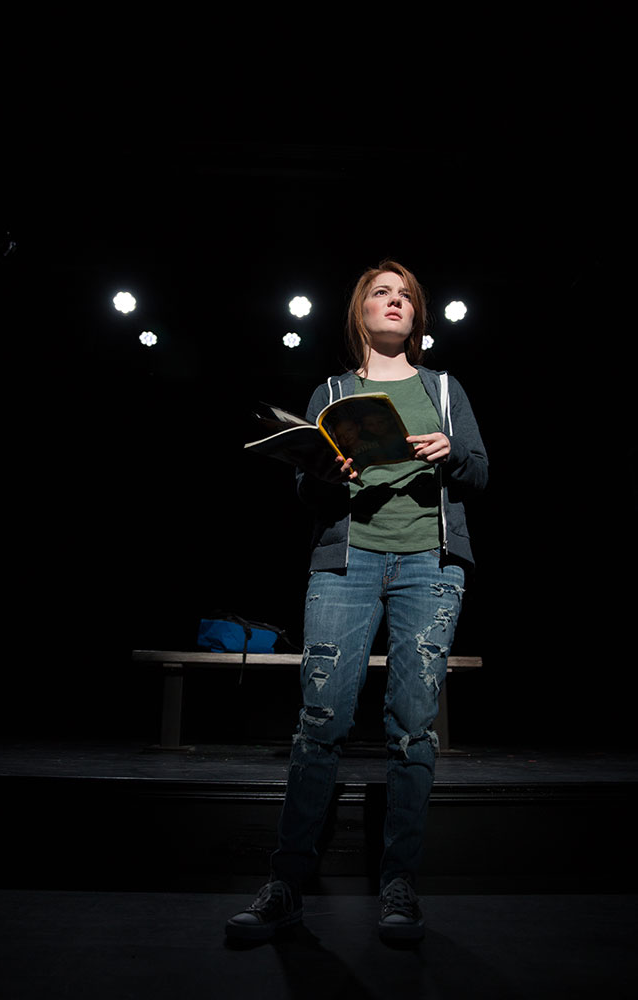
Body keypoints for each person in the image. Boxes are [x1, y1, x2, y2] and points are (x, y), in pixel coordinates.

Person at [226, 260, 488, 944]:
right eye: (381, 293)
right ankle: (286, 883)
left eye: (405, 296)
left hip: (427, 568)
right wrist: (327, 470)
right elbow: (306, 496)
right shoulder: (335, 389)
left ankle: (398, 883)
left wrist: (450, 451)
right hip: (346, 563)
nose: (394, 302)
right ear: (359, 312)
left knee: (411, 729)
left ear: (418, 317)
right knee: (320, 720)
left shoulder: (442, 387)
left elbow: (481, 471)